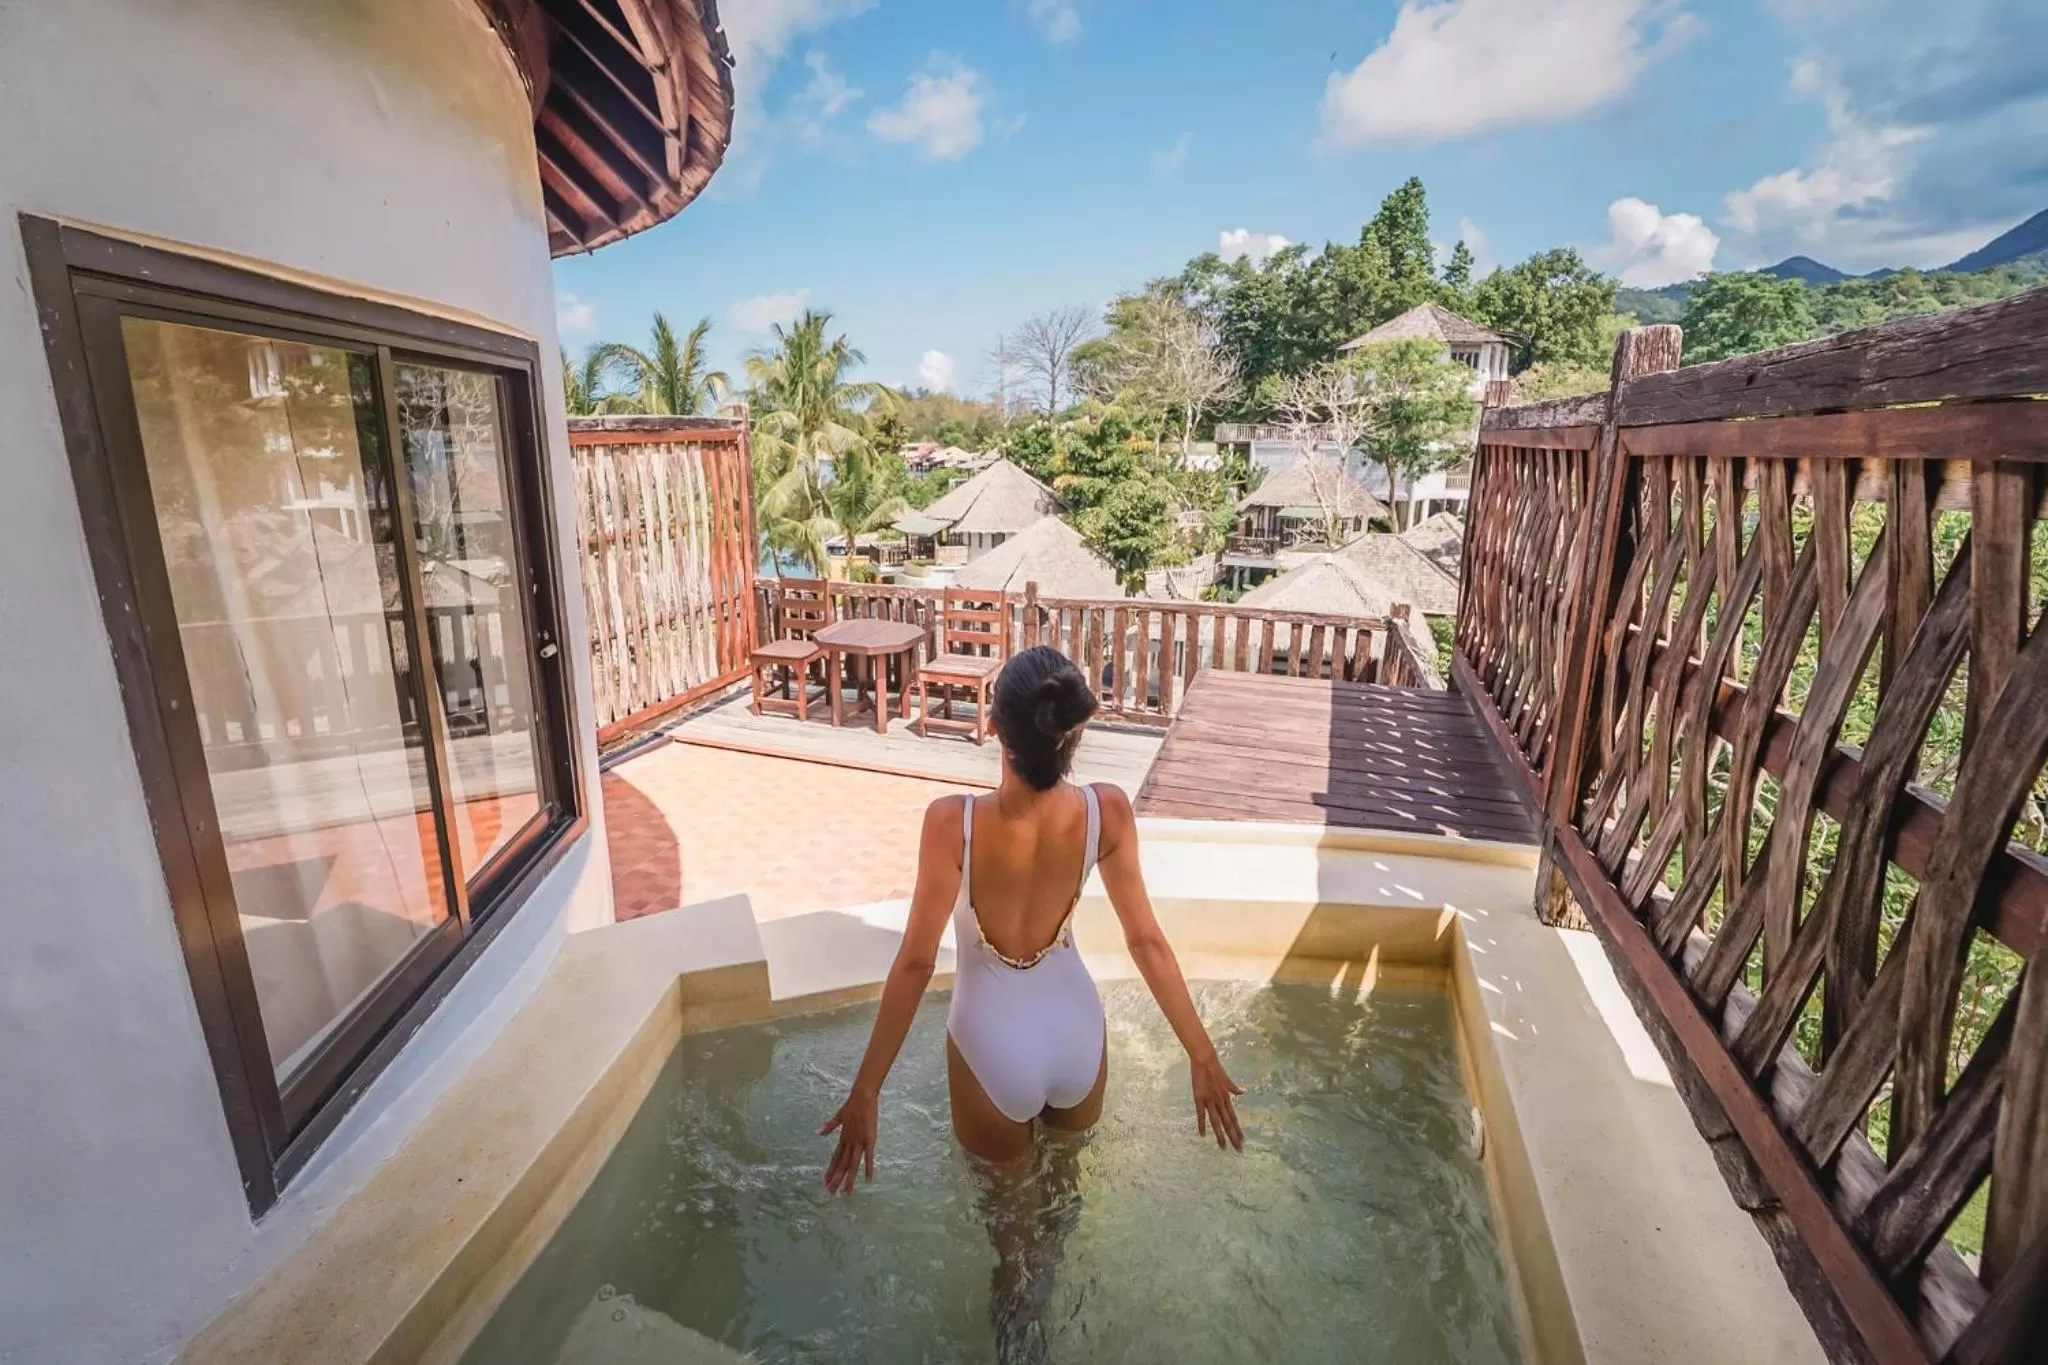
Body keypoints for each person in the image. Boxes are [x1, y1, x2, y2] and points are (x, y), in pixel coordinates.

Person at [821, 645, 1244, 1189]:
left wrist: (866, 1090)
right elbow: (1146, 942)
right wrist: (1202, 1056)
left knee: (1011, 1245)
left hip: (989, 1042)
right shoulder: (1107, 811)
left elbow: (916, 965)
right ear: (1073, 734)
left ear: (994, 728)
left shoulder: (953, 824)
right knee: (1062, 1205)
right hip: (1077, 1035)